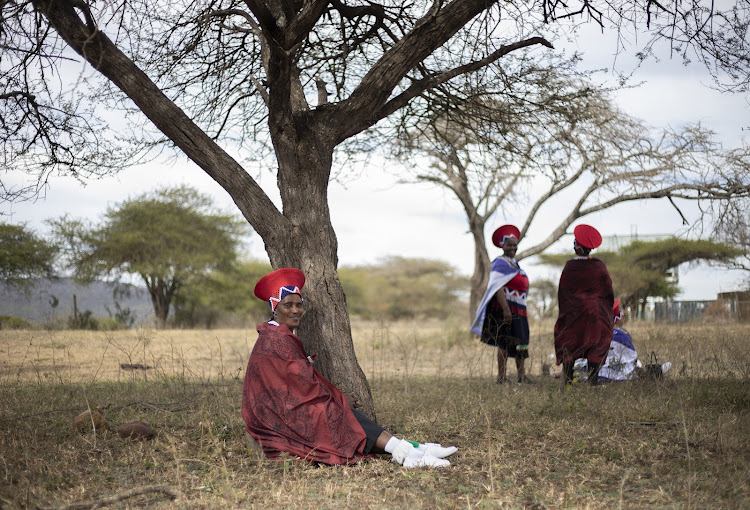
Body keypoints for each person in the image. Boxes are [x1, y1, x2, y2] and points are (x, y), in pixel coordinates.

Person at [241, 268, 458, 468]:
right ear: (274, 308)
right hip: (277, 415)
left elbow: (297, 381)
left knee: (336, 409)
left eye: (299, 304)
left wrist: (335, 397)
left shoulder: (277, 335)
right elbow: (301, 385)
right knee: (334, 410)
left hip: (281, 408)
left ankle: (410, 450)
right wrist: (337, 396)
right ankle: (409, 452)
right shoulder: (276, 339)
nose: (296, 310)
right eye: (288, 305)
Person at [554, 224, 614, 386]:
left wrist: (565, 313)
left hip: (574, 314)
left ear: (576, 247)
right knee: (595, 344)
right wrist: (606, 313)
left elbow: (563, 293)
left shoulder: (570, 267)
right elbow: (608, 291)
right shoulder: (599, 266)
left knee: (569, 343)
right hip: (596, 315)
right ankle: (593, 381)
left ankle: (567, 382)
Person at [471, 224, 531, 384]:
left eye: (515, 245)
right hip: (506, 308)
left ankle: (521, 376)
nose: (513, 247)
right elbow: (497, 286)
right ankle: (502, 378)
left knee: (521, 342)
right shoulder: (500, 263)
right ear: (502, 246)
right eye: (509, 244)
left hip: (520, 308)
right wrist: (505, 309)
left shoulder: (515, 264)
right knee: (504, 342)